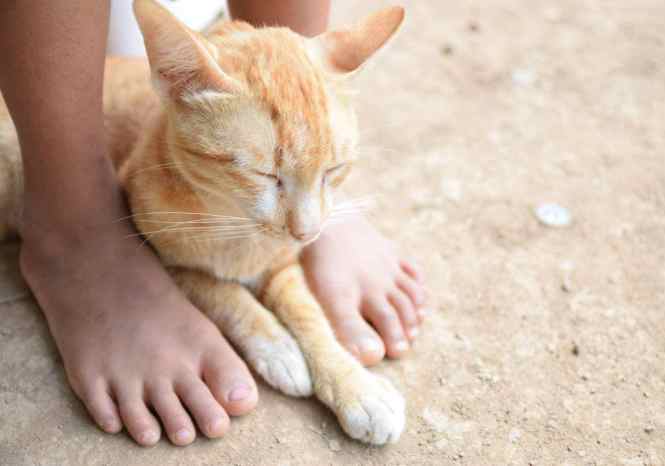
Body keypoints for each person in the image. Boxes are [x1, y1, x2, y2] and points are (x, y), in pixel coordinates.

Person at [0, 0, 426, 447]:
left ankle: (300, 169)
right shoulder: (173, 164)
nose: (306, 227)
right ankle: (75, 227)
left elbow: (275, 266)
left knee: (287, 222)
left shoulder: (294, 210)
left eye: (331, 173)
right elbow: (179, 261)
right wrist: (249, 321)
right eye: (268, 178)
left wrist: (329, 362)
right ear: (179, 81)